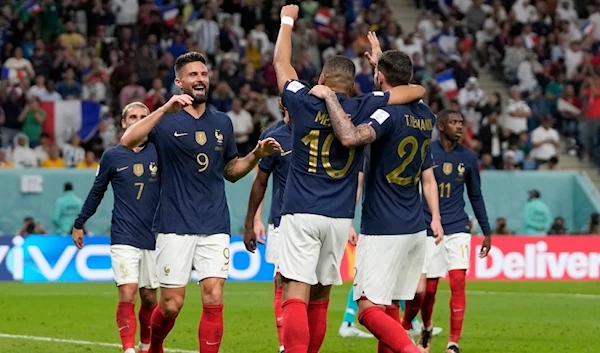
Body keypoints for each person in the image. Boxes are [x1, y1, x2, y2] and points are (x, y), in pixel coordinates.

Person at [256, 6, 426, 353]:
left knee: (295, 293)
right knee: (320, 297)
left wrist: (287, 21)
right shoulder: (365, 105)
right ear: (352, 83)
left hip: (301, 212)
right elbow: (415, 90)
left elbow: (279, 62)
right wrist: (378, 68)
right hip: (338, 218)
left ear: (320, 79)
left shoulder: (302, 100)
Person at [120, 51, 281, 353]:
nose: (201, 79)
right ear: (179, 81)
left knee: (214, 296)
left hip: (214, 221)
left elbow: (231, 171)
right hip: (174, 223)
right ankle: (154, 346)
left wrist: (256, 156)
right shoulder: (165, 121)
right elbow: (128, 141)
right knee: (170, 305)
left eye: (204, 74)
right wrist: (163, 110)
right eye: (193, 75)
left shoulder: (222, 122)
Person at [311, 49, 443, 353]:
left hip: (384, 225)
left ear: (379, 76)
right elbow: (409, 91)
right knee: (389, 306)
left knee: (368, 310)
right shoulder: (425, 114)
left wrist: (332, 99)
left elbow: (352, 137)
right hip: (414, 225)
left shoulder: (385, 114)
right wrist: (383, 64)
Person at [71, 102, 160, 353]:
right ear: (123, 123)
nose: (139, 120)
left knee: (150, 298)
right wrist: (79, 223)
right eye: (133, 116)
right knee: (128, 292)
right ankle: (129, 349)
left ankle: (145, 345)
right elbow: (96, 192)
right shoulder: (112, 156)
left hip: (155, 236)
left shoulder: (161, 151)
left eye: (144, 117)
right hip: (124, 235)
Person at [402, 110, 492, 353]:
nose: (459, 127)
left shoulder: (469, 157)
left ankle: (453, 343)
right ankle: (426, 326)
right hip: (427, 227)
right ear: (441, 127)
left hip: (458, 228)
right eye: (453, 123)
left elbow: (475, 194)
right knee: (426, 291)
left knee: (458, 281)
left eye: (461, 123)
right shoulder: (425, 151)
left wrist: (486, 230)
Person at [243, 100, 291, 353]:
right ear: (283, 105)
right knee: (282, 281)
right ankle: (285, 345)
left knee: (314, 287)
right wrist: (255, 219)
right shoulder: (273, 136)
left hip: (317, 218)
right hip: (283, 221)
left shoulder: (317, 131)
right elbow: (260, 180)